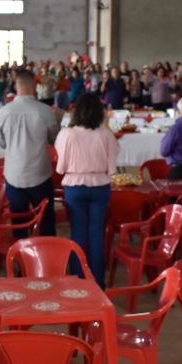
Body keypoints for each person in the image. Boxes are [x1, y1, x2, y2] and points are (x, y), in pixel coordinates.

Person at [53, 92, 118, 287]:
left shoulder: (67, 133)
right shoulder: (106, 134)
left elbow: (60, 167)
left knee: (78, 233)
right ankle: (97, 282)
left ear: (76, 111)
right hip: (100, 186)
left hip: (75, 186)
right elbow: (112, 166)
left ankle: (78, 281)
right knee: (96, 234)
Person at [0, 70, 59, 236]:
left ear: (16, 86)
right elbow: (54, 139)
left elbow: (1, 143)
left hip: (14, 175)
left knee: (19, 221)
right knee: (46, 220)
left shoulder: (3, 112)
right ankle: (47, 257)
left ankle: (21, 258)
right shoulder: (45, 111)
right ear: (34, 86)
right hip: (39, 173)